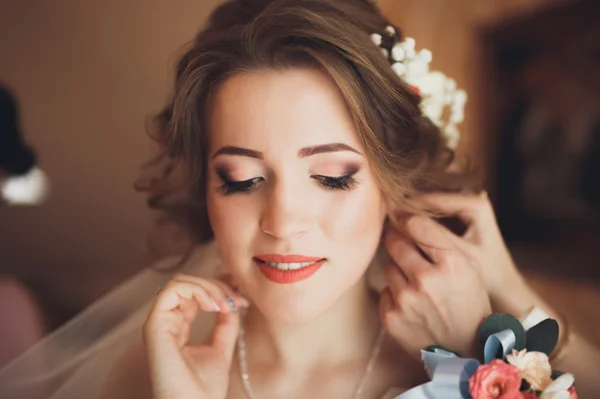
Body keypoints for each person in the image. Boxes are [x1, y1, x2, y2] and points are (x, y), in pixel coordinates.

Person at [0, 0, 598, 398]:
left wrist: (499, 320)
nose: (283, 224)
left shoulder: (465, 370)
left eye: (334, 176)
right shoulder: (148, 379)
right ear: (204, 188)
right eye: (240, 178)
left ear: (396, 184)